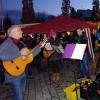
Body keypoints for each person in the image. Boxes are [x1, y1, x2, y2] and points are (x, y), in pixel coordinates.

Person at [0, 26, 46, 100]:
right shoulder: (7, 43)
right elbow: (1, 55)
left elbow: (30, 55)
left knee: (21, 94)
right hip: (13, 74)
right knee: (19, 96)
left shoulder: (21, 42)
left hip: (22, 72)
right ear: (13, 33)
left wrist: (39, 47)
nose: (21, 31)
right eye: (19, 30)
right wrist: (19, 53)